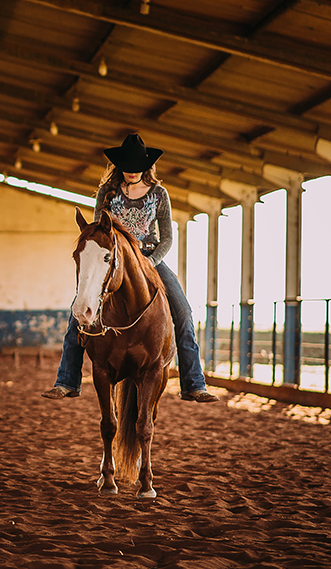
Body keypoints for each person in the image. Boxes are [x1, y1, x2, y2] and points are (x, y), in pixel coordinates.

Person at [42, 133, 219, 403]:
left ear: (146, 166)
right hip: (114, 259)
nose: (132, 171)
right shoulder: (106, 192)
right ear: (119, 165)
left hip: (149, 258)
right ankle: (67, 380)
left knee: (183, 311)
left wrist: (149, 262)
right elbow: (99, 233)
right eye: (127, 166)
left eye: (137, 166)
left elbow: (167, 238)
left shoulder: (159, 194)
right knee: (77, 312)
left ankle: (194, 383)